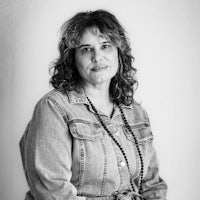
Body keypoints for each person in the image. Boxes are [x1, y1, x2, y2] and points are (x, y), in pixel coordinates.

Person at [19, 9, 167, 200]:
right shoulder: (53, 108)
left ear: (119, 53)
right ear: (72, 58)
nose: (97, 57)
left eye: (105, 46)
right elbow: (54, 193)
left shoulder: (135, 112)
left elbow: (152, 185)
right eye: (86, 49)